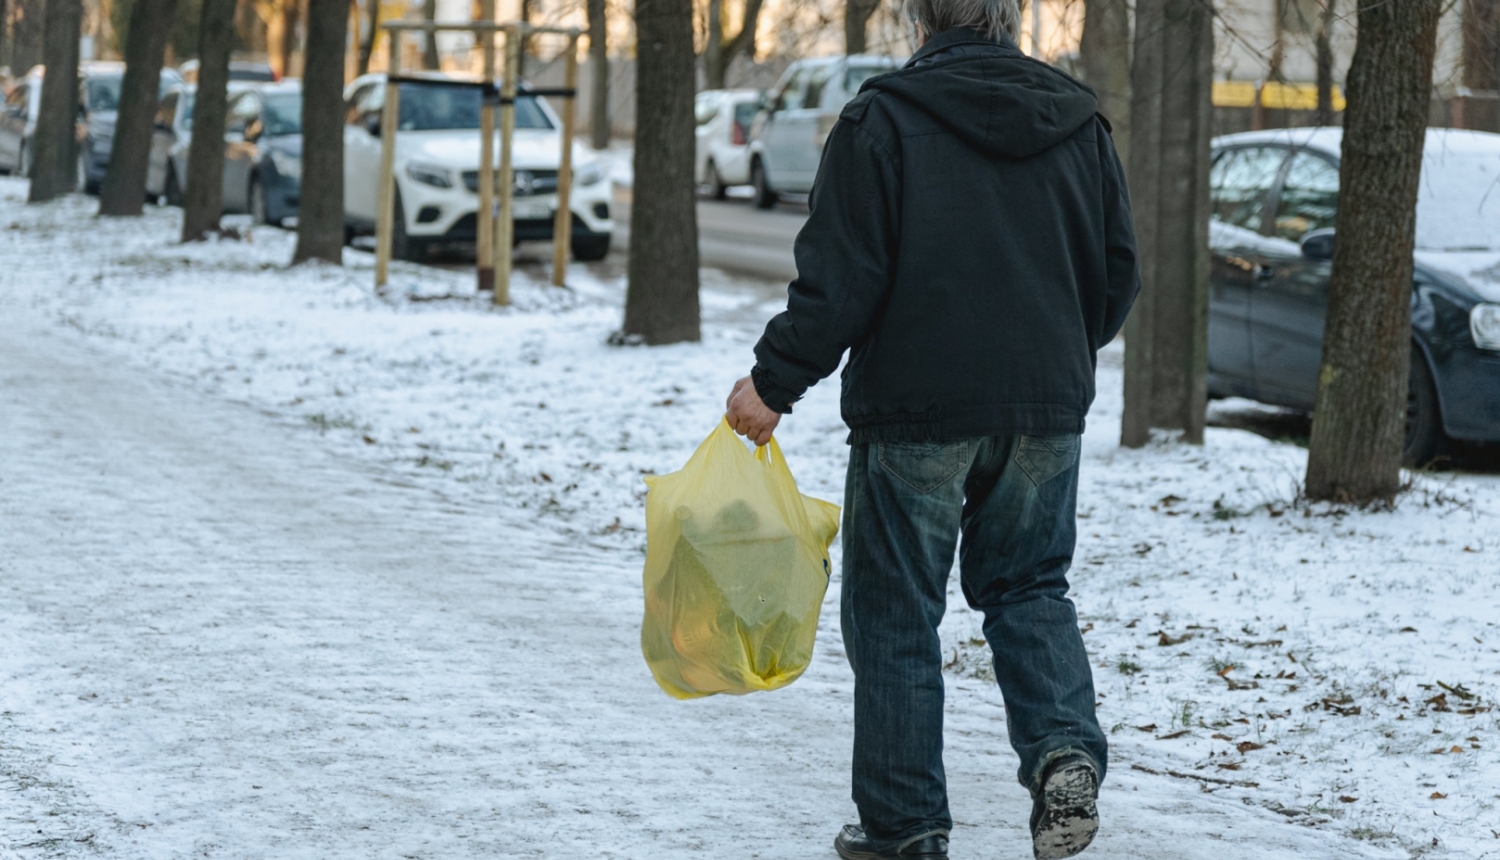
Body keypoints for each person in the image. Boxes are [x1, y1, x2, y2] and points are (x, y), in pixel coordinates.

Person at [723, 1, 1140, 858]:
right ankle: (1063, 751)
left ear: (920, 20)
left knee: (895, 614)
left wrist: (773, 383)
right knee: (1029, 588)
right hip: (1044, 404)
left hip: (915, 408)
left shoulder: (882, 120)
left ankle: (905, 827)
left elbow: (840, 278)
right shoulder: (1079, 122)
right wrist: (1052, 358)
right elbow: (1118, 273)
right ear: (1011, 17)